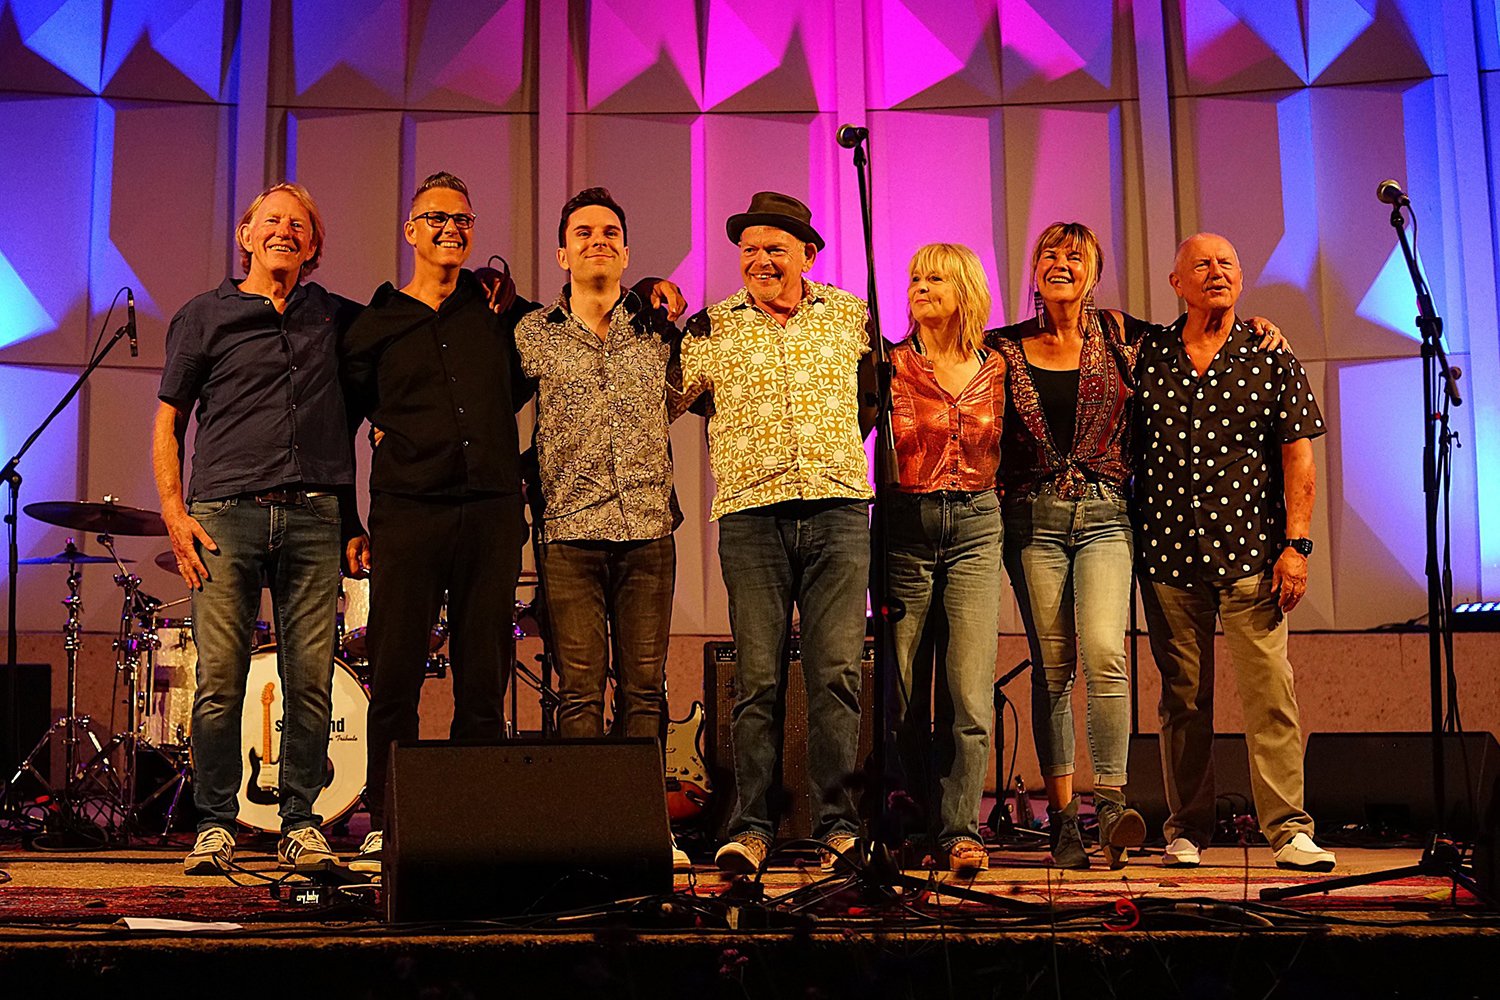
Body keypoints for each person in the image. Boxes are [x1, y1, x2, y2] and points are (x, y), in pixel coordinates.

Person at [154, 182, 358, 875]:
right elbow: (168, 420)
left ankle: (300, 822)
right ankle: (215, 824)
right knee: (219, 681)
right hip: (223, 517)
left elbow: (406, 327)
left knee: (311, 681)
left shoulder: (334, 315)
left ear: (313, 244)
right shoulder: (202, 315)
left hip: (313, 515)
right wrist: (174, 513)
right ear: (245, 236)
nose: (284, 232)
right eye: (271, 221)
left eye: (299, 224)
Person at [339, 172, 535, 875]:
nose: (451, 229)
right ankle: (388, 819)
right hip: (408, 514)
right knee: (395, 675)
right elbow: (339, 428)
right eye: (436, 218)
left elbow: (572, 356)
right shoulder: (374, 324)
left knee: (483, 677)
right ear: (411, 230)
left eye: (463, 219)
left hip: (489, 513)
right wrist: (348, 522)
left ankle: (474, 817)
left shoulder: (502, 314)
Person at [676, 191, 876, 874]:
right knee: (757, 680)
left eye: (774, 248)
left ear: (807, 256)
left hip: (838, 511)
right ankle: (753, 827)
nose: (759, 259)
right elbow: (666, 400)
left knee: (836, 676)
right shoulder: (712, 327)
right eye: (749, 249)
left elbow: (872, 400)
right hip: (752, 517)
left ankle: (838, 825)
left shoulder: (851, 317)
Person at [1135, 232, 1335, 872]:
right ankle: (1186, 828)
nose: (1216, 272)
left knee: (1271, 694)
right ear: (1176, 283)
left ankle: (1289, 831)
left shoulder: (1271, 354)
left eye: (1227, 262)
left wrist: (1296, 546)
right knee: (1183, 701)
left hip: (1253, 555)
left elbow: (1298, 455)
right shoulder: (1147, 355)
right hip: (1169, 555)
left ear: (1242, 279)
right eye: (1201, 264)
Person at [514, 187, 692, 868]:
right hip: (568, 534)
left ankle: (642, 828)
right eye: (583, 233)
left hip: (648, 531)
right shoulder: (532, 334)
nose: (598, 241)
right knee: (580, 692)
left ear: (626, 250)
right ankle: (584, 831)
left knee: (644, 690)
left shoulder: (658, 333)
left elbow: (690, 394)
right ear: (562, 253)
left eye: (610, 232)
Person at [987, 223, 1148, 869]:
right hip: (1033, 521)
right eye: (1049, 254)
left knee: (1106, 652)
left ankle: (1110, 806)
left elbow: (1196, 339)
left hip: (1107, 515)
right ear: (1034, 271)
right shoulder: (1001, 347)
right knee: (1053, 667)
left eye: (1075, 256)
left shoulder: (1122, 337)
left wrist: (1257, 328)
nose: (1061, 262)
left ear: (1094, 275)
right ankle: (1061, 819)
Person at [885, 243, 1005, 873]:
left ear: (965, 290)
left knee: (968, 691)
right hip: (906, 523)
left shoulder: (999, 366)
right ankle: (911, 821)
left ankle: (960, 830)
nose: (920, 286)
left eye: (935, 277)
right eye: (914, 277)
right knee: (902, 688)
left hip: (977, 527)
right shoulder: (888, 363)